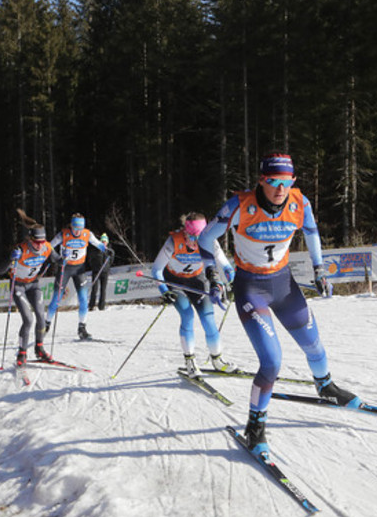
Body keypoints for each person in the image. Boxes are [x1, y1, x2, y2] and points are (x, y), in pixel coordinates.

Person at [198, 152, 361, 457]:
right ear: (262, 180)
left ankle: (325, 386)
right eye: (273, 181)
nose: (280, 189)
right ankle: (255, 427)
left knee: (314, 345)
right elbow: (206, 239)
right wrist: (212, 275)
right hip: (251, 289)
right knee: (272, 362)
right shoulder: (240, 205)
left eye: (286, 182)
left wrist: (319, 269)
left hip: (284, 286)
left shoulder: (301, 203)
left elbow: (312, 234)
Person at [151, 212, 237, 378]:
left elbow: (226, 267)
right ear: (184, 232)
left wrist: (229, 282)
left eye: (199, 236)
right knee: (188, 316)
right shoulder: (174, 241)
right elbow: (156, 270)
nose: (195, 241)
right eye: (191, 236)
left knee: (208, 318)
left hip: (197, 281)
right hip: (175, 282)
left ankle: (217, 359)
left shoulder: (210, 241)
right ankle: (190, 361)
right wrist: (164, 291)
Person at [9, 209, 63, 366]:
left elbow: (56, 259)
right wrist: (11, 259)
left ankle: (39, 349)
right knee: (28, 319)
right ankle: (21, 353)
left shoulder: (46, 247)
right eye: (37, 242)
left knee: (41, 317)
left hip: (33, 284)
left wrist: (62, 260)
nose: (40, 245)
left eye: (42, 241)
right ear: (30, 239)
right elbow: (1, 270)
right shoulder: (20, 249)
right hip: (18, 285)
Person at [45, 213, 106, 340]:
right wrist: (57, 258)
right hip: (65, 269)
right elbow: (49, 246)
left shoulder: (87, 234)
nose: (77, 231)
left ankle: (82, 328)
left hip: (79, 269)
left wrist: (106, 249)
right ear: (71, 226)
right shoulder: (64, 234)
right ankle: (46, 324)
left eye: (80, 228)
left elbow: (97, 243)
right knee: (56, 298)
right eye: (75, 228)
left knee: (83, 299)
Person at [88, 233, 114, 311]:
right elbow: (90, 259)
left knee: (103, 289)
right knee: (94, 289)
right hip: (96, 271)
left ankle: (101, 306)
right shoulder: (96, 249)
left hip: (105, 272)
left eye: (105, 241)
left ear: (107, 242)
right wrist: (93, 266)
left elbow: (111, 261)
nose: (104, 242)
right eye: (102, 241)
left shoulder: (109, 251)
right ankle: (91, 305)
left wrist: (108, 267)